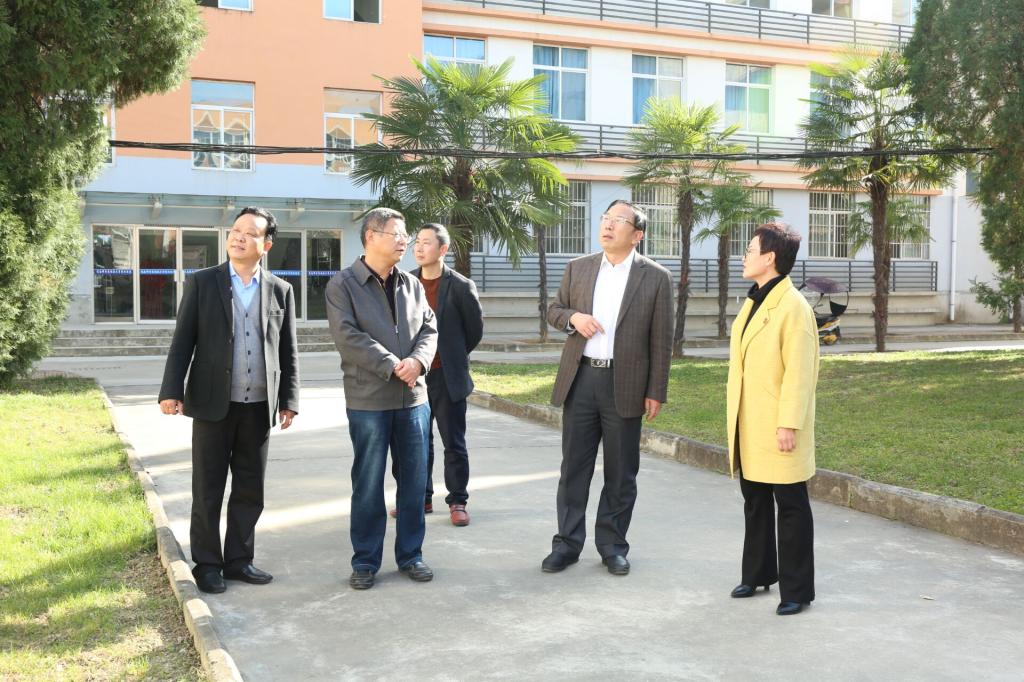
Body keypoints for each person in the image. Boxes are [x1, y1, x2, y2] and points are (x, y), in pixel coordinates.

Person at [158, 207, 299, 595]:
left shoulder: (280, 290)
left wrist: (289, 398)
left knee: (250, 488)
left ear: (265, 245)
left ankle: (239, 560)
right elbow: (182, 340)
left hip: (259, 405)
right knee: (208, 488)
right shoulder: (204, 282)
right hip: (212, 404)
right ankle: (207, 564)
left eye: (250, 233)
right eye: (235, 230)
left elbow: (287, 350)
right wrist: (171, 390)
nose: (238, 237)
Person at [542, 199, 673, 576]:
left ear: (637, 235)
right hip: (581, 379)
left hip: (626, 384)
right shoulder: (578, 267)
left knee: (621, 471)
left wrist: (656, 389)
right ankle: (566, 545)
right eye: (605, 218)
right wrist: (574, 318)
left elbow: (662, 339)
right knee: (574, 468)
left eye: (618, 220)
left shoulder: (655, 277)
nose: (608, 225)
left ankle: (613, 545)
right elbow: (554, 311)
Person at [325, 208, 438, 590]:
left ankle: (411, 555)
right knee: (368, 483)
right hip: (368, 400)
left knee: (414, 482)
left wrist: (417, 362)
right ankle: (365, 561)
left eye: (406, 234)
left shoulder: (412, 284)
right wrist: (392, 365)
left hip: (414, 399)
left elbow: (429, 328)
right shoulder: (343, 285)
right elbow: (348, 337)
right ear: (371, 236)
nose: (405, 241)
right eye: (397, 234)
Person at [727, 222, 819, 616]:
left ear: (770, 258)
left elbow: (800, 372)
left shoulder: (793, 307)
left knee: (791, 505)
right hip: (750, 420)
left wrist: (789, 424)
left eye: (749, 250)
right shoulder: (754, 301)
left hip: (779, 423)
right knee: (755, 500)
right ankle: (759, 572)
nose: (744, 256)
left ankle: (797, 590)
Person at [389, 223, 484, 526]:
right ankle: (421, 498)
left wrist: (451, 356)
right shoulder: (404, 282)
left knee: (453, 442)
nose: (419, 247)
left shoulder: (461, 286)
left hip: (447, 376)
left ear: (443, 249)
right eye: (417, 242)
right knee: (417, 442)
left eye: (427, 242)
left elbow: (474, 331)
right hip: (414, 377)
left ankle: (457, 500)